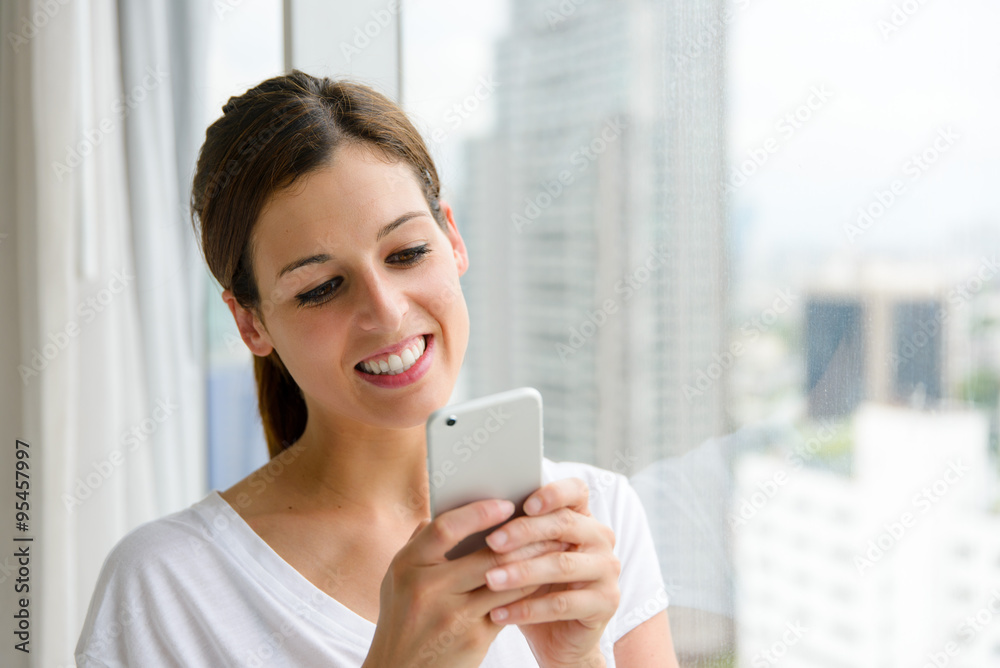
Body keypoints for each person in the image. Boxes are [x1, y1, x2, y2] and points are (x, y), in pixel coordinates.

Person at [76, 71, 678, 667]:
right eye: (320, 288)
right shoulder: (164, 588)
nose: (385, 312)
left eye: (408, 253)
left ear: (454, 241)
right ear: (250, 323)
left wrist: (576, 661)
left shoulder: (593, 521)